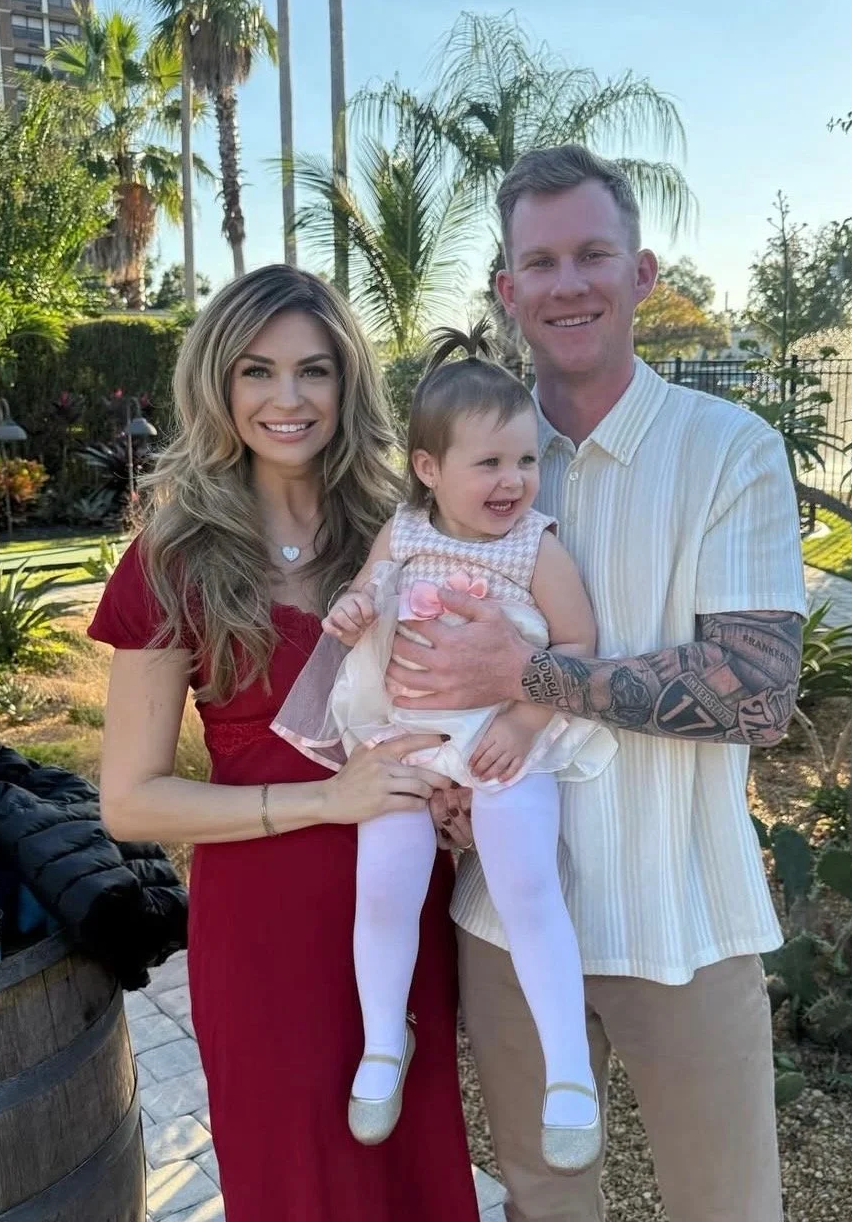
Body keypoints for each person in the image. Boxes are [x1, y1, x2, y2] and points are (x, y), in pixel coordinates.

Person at [387, 146, 807, 1222]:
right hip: (505, 923)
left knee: (728, 1209)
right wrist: (434, 775)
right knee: (545, 1206)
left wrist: (529, 675)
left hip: (686, 924)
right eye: (541, 261)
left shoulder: (730, 452)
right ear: (506, 290)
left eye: (593, 255)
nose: (567, 283)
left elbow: (756, 691)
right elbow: (409, 659)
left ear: (643, 275)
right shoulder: (472, 453)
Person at [87, 264, 480, 1222]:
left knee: (413, 1175)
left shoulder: (408, 532)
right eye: (258, 371)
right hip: (264, 934)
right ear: (218, 384)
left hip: (402, 914)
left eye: (315, 370)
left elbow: (464, 695)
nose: (288, 399)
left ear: (349, 384)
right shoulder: (174, 554)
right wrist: (322, 799)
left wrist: (460, 789)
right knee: (298, 1185)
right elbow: (130, 800)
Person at [273, 324, 615, 1170]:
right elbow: (361, 597)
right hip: (405, 741)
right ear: (429, 469)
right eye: (490, 463)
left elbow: (576, 646)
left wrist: (525, 723)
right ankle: (384, 1044)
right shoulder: (406, 532)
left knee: (527, 886)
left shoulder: (537, 546)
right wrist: (352, 611)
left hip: (504, 745)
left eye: (526, 461)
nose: (514, 482)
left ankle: (569, 1070)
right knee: (382, 887)